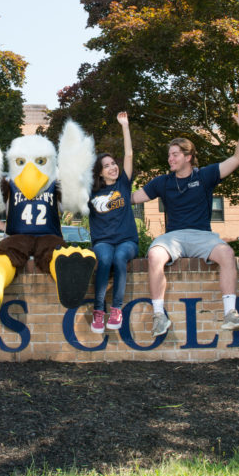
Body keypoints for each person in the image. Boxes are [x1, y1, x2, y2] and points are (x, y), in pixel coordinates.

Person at [131, 105, 239, 337]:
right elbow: (133, 198)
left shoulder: (204, 175)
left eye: (175, 154)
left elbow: (238, 158)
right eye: (169, 155)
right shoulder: (162, 182)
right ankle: (158, 316)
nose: (170, 158)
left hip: (202, 236)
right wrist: (107, 193)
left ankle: (231, 314)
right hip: (174, 237)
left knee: (227, 254)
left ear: (188, 157)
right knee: (155, 254)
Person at [87, 111, 139, 334]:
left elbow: (128, 154)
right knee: (105, 258)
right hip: (103, 241)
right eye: (107, 165)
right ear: (100, 172)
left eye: (113, 163)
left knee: (119, 258)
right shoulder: (90, 192)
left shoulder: (123, 185)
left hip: (127, 240)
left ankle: (116, 308)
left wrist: (124, 126)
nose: (113, 167)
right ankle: (99, 311)